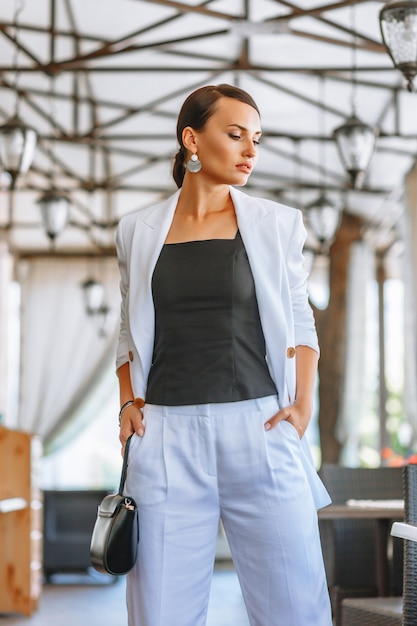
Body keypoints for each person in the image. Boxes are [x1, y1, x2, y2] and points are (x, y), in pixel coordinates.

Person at [116, 83, 333, 626]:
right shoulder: (136, 232)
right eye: (235, 135)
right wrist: (127, 406)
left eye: (256, 139)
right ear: (192, 139)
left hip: (260, 426)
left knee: (294, 604)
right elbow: (129, 331)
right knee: (160, 612)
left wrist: (303, 407)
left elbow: (300, 318)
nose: (249, 152)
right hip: (164, 435)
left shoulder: (278, 223)